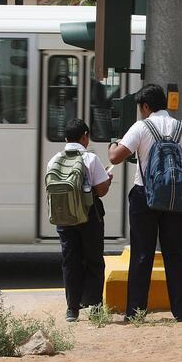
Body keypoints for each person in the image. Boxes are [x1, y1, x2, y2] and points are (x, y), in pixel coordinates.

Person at [108, 84, 182, 323]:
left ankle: (136, 312)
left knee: (142, 254)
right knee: (176, 255)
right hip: (176, 198)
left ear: (146, 106)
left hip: (145, 196)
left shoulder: (141, 127)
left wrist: (113, 144)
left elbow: (115, 157)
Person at [47, 118, 112, 322]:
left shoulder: (55, 159)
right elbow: (101, 190)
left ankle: (72, 309)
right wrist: (107, 180)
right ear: (85, 136)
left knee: (70, 261)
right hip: (89, 216)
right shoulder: (91, 159)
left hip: (64, 218)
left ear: (66, 138)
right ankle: (94, 306)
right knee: (93, 260)